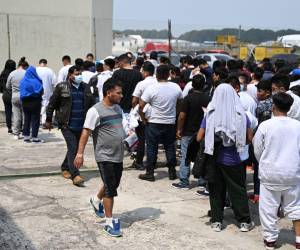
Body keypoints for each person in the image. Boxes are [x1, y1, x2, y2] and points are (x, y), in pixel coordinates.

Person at [196, 84, 254, 232]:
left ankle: (216, 221)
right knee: (238, 190)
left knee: (216, 190)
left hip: (214, 160)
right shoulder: (242, 115)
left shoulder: (210, 114)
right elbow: (248, 139)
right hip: (234, 160)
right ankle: (244, 221)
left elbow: (199, 137)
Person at [74, 78, 128, 237]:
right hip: (105, 156)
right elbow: (86, 132)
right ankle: (109, 222)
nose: (121, 95)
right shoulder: (95, 111)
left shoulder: (118, 108)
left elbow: (119, 127)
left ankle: (96, 200)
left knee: (112, 184)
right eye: (118, 93)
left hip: (118, 155)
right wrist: (79, 153)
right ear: (108, 92)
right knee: (111, 188)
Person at [253, 92, 300, 250]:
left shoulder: (265, 125)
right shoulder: (298, 126)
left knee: (268, 208)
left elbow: (258, 149)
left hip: (270, 172)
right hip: (292, 172)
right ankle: (299, 240)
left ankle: (270, 240)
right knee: (296, 207)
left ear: (273, 106)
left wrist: (264, 162)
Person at [45, 66, 94, 186]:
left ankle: (65, 167)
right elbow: (52, 104)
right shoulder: (61, 87)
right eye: (77, 74)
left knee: (75, 147)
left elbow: (92, 104)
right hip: (67, 124)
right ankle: (75, 175)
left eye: (80, 73)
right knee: (73, 148)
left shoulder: (86, 87)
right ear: (70, 75)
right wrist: (48, 119)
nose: (79, 76)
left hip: (82, 125)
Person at [138, 65, 183, 181]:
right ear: (168, 75)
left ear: (156, 75)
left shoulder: (152, 88)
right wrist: (174, 112)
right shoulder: (176, 87)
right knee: (170, 147)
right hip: (170, 122)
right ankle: (172, 172)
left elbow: (141, 105)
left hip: (154, 122)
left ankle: (150, 172)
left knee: (152, 147)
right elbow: (180, 103)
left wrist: (143, 118)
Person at [172, 74, 210, 189]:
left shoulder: (188, 99)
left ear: (192, 85)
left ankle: (184, 182)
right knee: (202, 156)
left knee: (185, 156)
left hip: (188, 132)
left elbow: (182, 116)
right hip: (203, 133)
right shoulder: (209, 98)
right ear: (204, 85)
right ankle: (202, 181)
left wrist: (179, 129)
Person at [131, 61, 157, 170]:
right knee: (153, 140)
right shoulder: (158, 82)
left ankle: (139, 161)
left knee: (141, 139)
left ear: (145, 72)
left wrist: (135, 110)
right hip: (156, 114)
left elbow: (134, 100)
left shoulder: (141, 84)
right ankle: (152, 162)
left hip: (143, 114)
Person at [6, 57, 29, 139]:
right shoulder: (27, 73)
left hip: (15, 96)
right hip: (25, 96)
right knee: (25, 115)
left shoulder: (12, 73)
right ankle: (26, 133)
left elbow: (7, 86)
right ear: (25, 66)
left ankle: (16, 134)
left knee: (16, 115)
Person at [20, 66, 44, 143]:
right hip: (35, 102)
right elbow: (41, 92)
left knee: (27, 118)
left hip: (25, 102)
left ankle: (26, 136)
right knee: (35, 119)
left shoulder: (23, 81)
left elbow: (21, 92)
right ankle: (34, 137)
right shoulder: (37, 81)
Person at [36, 59, 57, 125]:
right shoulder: (50, 71)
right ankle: (43, 122)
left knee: (37, 108)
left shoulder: (35, 70)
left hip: (36, 92)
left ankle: (36, 122)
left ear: (39, 63)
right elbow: (55, 83)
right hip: (47, 93)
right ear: (46, 64)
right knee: (45, 108)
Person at [0, 59, 16, 134]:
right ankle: (18, 127)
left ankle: (9, 128)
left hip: (5, 95)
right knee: (17, 112)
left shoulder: (2, 74)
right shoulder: (14, 74)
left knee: (8, 112)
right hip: (14, 94)